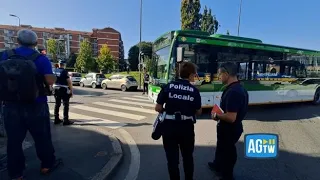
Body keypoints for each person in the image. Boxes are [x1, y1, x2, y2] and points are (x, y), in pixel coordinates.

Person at [0, 29, 62, 179]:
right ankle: (47, 165)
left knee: (14, 142)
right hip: (36, 104)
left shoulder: (4, 55)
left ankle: (16, 174)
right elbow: (49, 80)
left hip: (10, 105)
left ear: (17, 41)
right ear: (35, 43)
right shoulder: (40, 58)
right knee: (42, 137)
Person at [155, 61, 202, 180]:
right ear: (190, 75)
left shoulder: (168, 86)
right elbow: (199, 111)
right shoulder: (194, 91)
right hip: (186, 128)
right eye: (194, 74)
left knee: (172, 159)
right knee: (187, 157)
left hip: (169, 128)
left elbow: (158, 108)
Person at [208, 62, 249, 180]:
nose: (219, 77)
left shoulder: (233, 92)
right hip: (230, 128)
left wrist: (216, 115)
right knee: (222, 148)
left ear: (226, 74)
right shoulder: (238, 88)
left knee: (228, 153)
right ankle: (217, 165)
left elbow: (231, 117)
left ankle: (227, 176)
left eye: (220, 74)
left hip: (229, 129)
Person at [53, 60, 74, 125]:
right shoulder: (65, 71)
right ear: (64, 65)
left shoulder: (54, 71)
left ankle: (56, 119)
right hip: (63, 89)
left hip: (56, 88)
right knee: (65, 105)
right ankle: (65, 120)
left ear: (59, 64)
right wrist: (71, 90)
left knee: (57, 104)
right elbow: (69, 82)